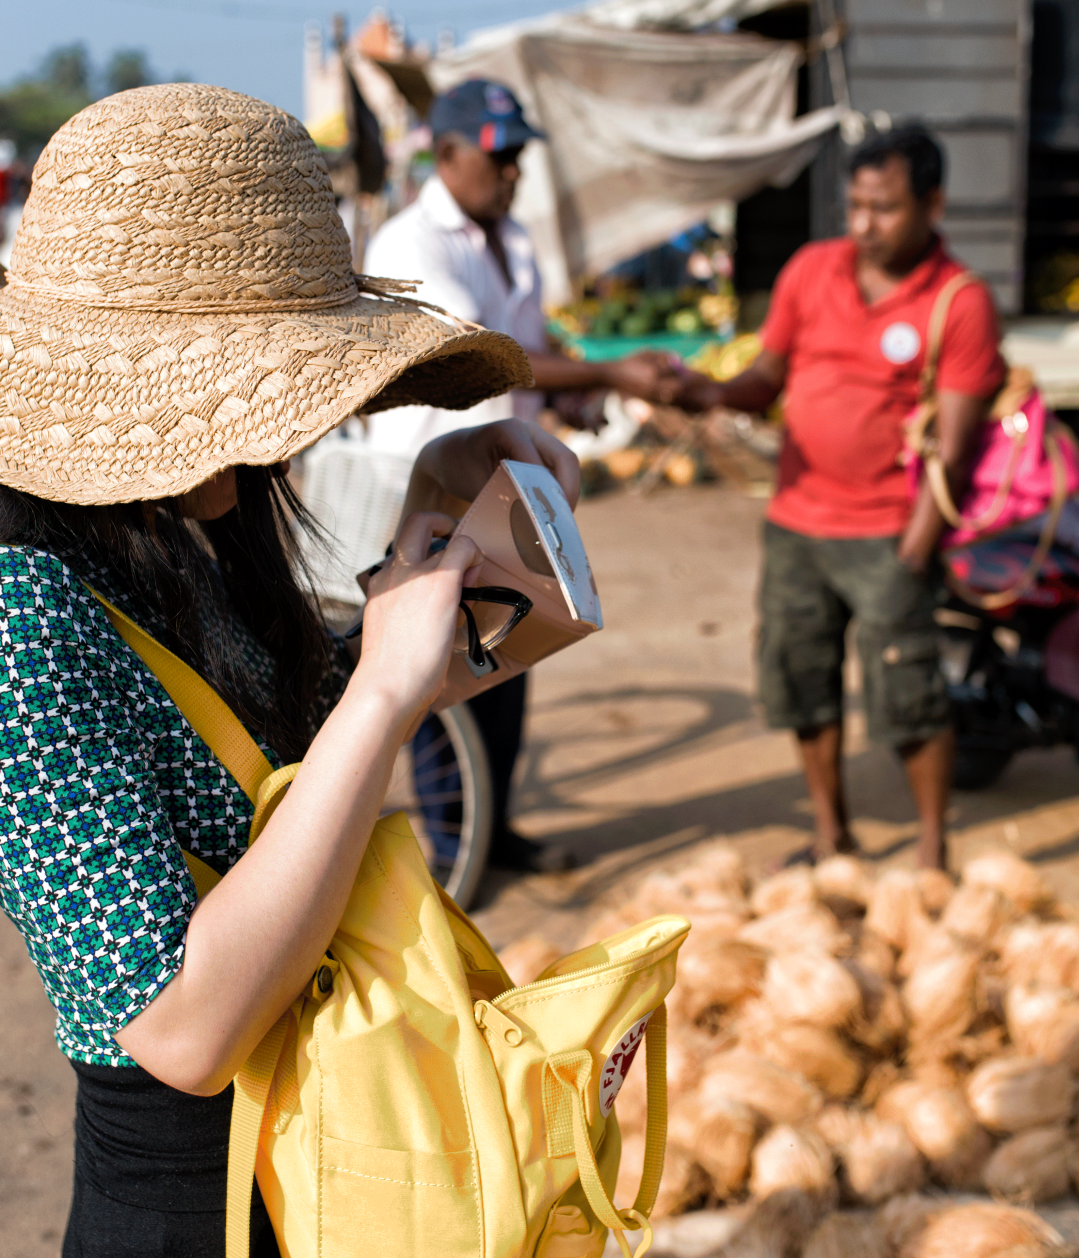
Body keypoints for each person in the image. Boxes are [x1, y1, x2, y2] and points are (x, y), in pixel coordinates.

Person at [0, 84, 575, 1256]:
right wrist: (378, 693)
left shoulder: (183, 522)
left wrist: (472, 543)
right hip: (196, 1205)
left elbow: (302, 739)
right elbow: (179, 1026)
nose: (292, 429)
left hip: (329, 1148)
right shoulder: (3, 608)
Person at [360, 78, 680, 875]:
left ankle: (493, 833)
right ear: (448, 155)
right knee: (437, 668)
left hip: (504, 485)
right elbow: (484, 359)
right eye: (500, 156)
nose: (512, 172)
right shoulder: (411, 244)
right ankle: (452, 847)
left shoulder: (517, 240)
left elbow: (529, 352)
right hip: (426, 486)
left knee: (506, 654)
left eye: (520, 156)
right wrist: (618, 375)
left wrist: (591, 389)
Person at [676, 125, 1003, 869]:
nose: (864, 225)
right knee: (802, 680)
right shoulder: (812, 270)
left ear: (932, 203)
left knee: (908, 693)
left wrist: (916, 549)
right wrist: (714, 391)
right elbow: (768, 379)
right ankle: (832, 835)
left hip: (890, 533)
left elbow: (955, 446)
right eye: (855, 205)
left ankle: (930, 850)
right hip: (797, 523)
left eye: (884, 208)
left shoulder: (961, 303)